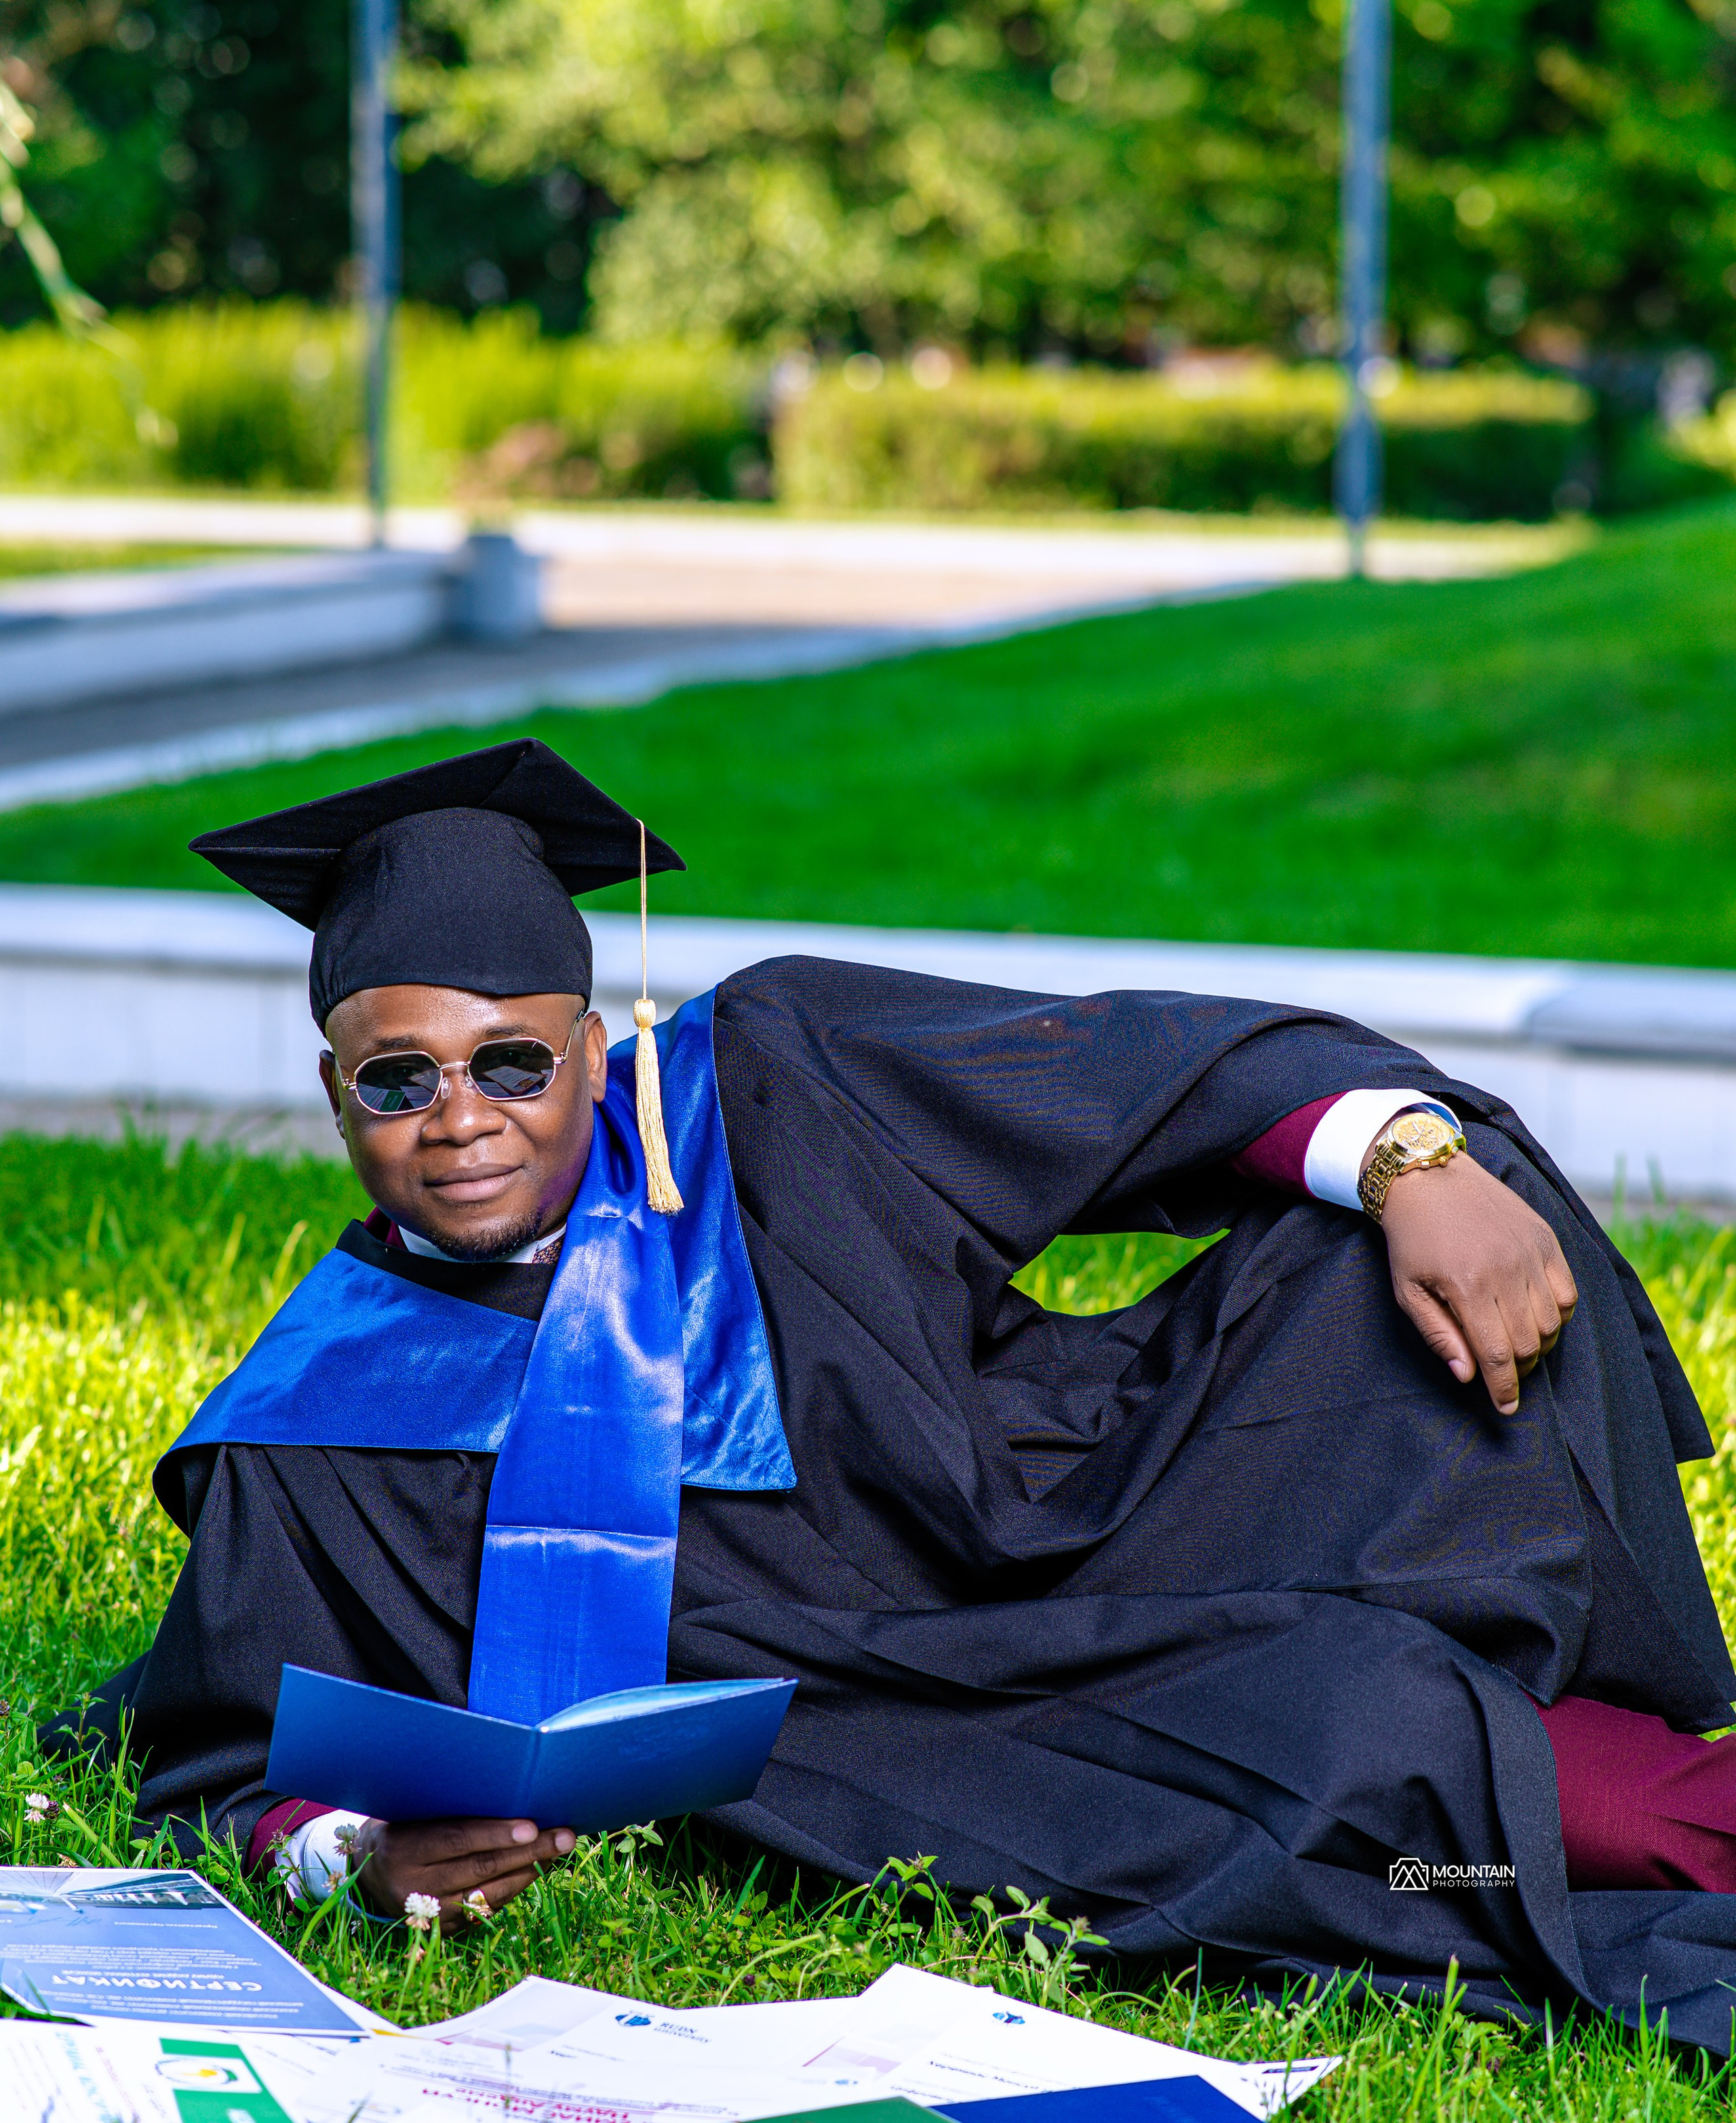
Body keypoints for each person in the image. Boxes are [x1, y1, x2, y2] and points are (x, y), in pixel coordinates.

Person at [52, 738, 1736, 2054]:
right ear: (335, 1095)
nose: (460, 1117)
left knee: (1387, 1257)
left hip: (1082, 1511)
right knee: (1382, 1768)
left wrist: (1402, 1158)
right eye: (396, 1080)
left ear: (594, 1039)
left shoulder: (774, 1076)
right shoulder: (319, 1408)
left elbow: (1133, 1078)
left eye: (515, 1062)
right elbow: (229, 1760)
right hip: (887, 1742)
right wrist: (368, 1855)